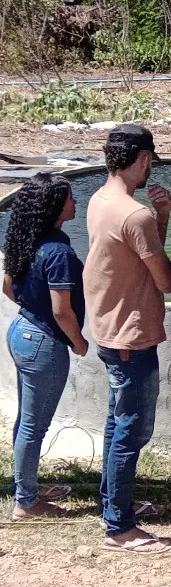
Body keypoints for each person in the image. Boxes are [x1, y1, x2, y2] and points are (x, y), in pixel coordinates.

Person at [85, 125, 171, 553]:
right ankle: (120, 526)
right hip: (131, 338)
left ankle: (113, 504)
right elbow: (165, 280)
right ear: (142, 159)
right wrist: (162, 220)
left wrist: (159, 219)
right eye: (150, 160)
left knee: (114, 423)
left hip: (108, 331)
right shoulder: (135, 215)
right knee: (131, 431)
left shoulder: (99, 201)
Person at [3, 173, 88, 518]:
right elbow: (61, 310)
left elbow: (8, 288)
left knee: (26, 420)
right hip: (43, 343)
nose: (76, 202)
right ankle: (26, 502)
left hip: (21, 330)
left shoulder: (27, 239)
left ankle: (25, 485)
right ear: (54, 206)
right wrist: (79, 342)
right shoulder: (58, 251)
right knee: (34, 425)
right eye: (70, 198)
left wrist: (31, 306)